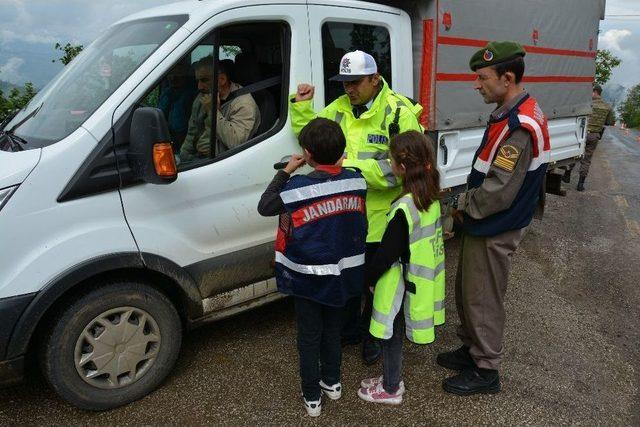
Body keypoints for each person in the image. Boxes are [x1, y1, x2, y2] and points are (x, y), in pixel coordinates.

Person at [290, 50, 423, 365]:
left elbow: (405, 167)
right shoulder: (337, 109)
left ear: (375, 79)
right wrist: (301, 108)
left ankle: (373, 337)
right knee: (348, 280)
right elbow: (313, 140)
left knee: (379, 285)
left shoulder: (398, 113)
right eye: (344, 82)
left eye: (356, 82)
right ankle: (349, 331)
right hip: (346, 219)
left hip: (383, 220)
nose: (349, 89)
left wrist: (347, 166)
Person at [438, 41, 550, 395]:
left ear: (508, 77)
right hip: (486, 222)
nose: (476, 84)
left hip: (494, 224)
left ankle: (486, 368)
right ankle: (472, 348)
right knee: (468, 289)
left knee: (482, 296)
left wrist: (457, 201)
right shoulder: (513, 110)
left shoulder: (519, 124)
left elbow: (497, 192)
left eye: (482, 77)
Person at [257, 118, 368, 417]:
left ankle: (312, 397)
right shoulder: (357, 181)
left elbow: (265, 206)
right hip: (343, 275)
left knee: (309, 336)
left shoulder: (296, 188)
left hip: (307, 279)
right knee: (333, 329)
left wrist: (286, 170)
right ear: (342, 151)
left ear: (306, 153)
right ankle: (332, 382)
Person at [357, 131, 445, 405]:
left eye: (391, 160)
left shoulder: (404, 208)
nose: (389, 165)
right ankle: (389, 380)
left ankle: (391, 387)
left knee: (390, 334)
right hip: (417, 278)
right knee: (393, 331)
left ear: (402, 168)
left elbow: (386, 254)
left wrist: (368, 278)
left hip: (399, 281)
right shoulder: (429, 196)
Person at [179, 57, 261, 162]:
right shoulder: (203, 97)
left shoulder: (243, 103)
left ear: (222, 79)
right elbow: (192, 132)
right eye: (198, 81)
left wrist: (212, 112)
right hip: (198, 159)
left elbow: (236, 142)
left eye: (204, 80)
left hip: (223, 162)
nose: (199, 86)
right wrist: (183, 157)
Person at [562, 83, 615, 191]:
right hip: (594, 135)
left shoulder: (587, 104)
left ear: (595, 92)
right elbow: (609, 122)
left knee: (574, 154)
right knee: (587, 159)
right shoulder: (607, 107)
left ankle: (567, 175)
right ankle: (580, 184)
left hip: (582, 133)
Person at [158, 60, 198, 151]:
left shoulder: (192, 95)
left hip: (184, 144)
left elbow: (181, 127)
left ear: (186, 74)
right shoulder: (166, 93)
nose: (173, 77)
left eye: (178, 73)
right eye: (170, 73)